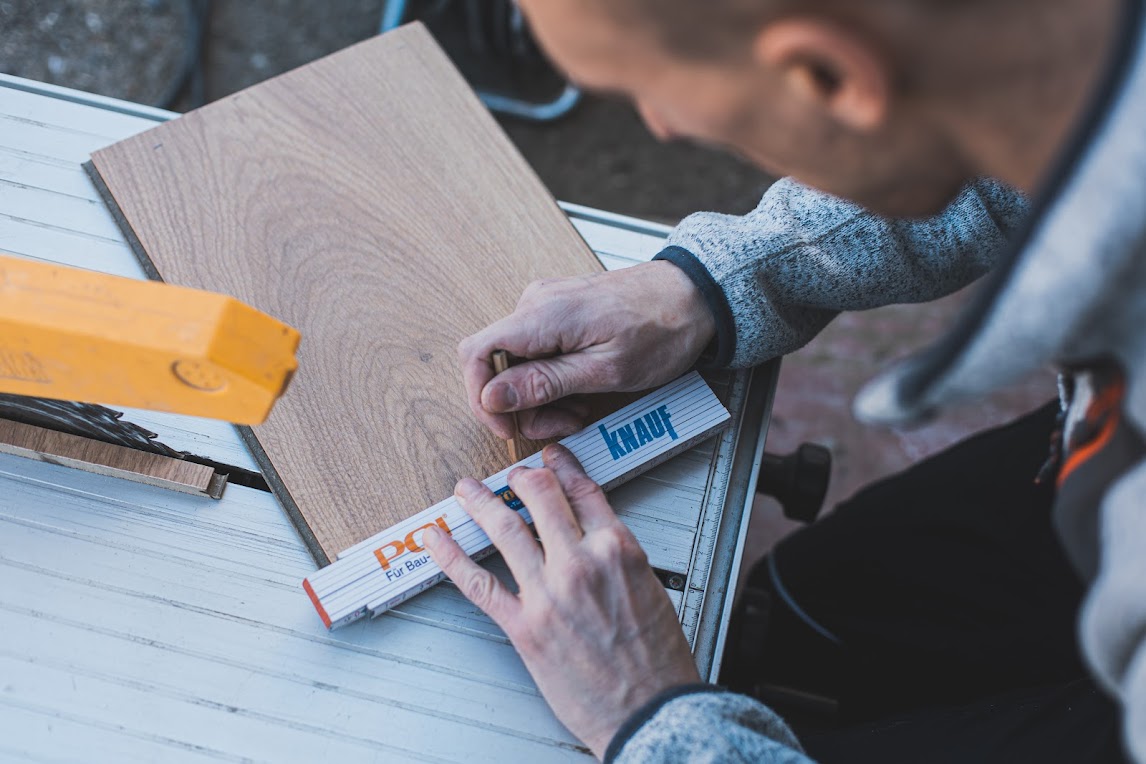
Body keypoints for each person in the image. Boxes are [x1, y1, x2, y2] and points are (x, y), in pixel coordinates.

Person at [418, 0, 1146, 760]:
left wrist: (652, 718)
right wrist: (714, 286)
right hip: (1085, 457)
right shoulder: (1072, 57)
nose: (662, 125)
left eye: (654, 88)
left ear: (829, 73)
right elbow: (976, 140)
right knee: (803, 608)